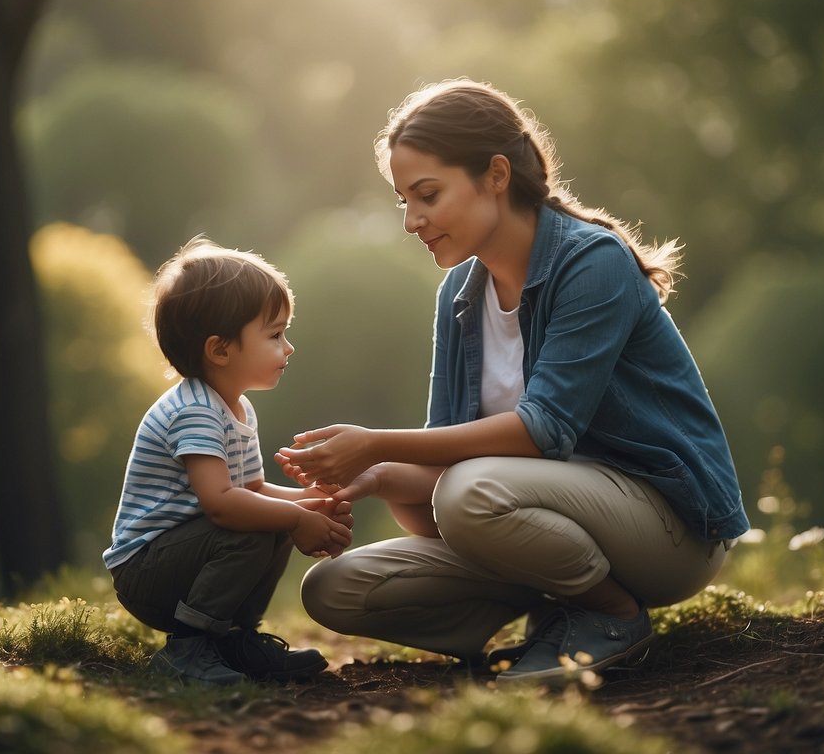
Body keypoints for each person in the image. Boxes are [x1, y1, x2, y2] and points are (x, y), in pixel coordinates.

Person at [275, 79, 750, 686]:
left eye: (427, 194)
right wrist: (371, 477)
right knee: (335, 590)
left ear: (496, 175)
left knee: (469, 490)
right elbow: (443, 476)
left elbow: (543, 432)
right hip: (539, 525)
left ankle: (610, 616)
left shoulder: (590, 262)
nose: (412, 220)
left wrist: (376, 443)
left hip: (669, 534)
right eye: (403, 201)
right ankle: (551, 613)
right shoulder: (460, 295)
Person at [103, 235, 354, 686]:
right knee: (257, 530)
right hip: (145, 570)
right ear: (220, 349)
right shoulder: (195, 411)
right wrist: (296, 520)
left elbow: (252, 490)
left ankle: (233, 640)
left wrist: (310, 502)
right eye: (275, 335)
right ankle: (188, 647)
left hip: (185, 557)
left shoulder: (234, 406)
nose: (288, 347)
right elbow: (221, 504)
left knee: (268, 520)